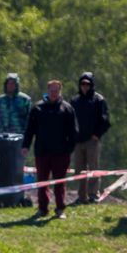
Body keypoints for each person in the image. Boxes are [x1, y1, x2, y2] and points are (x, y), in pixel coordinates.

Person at [22, 80, 79, 219]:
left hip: (61, 153)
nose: (54, 94)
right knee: (42, 182)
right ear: (47, 91)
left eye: (56, 91)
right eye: (51, 91)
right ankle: (42, 209)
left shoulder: (67, 109)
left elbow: (74, 132)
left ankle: (60, 209)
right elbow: (30, 129)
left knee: (59, 183)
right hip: (42, 152)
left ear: (60, 92)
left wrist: (69, 149)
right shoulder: (37, 108)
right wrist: (25, 146)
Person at [70, 72, 111, 205]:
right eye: (82, 83)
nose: (84, 86)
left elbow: (105, 120)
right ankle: (82, 196)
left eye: (87, 84)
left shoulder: (99, 100)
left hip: (92, 140)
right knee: (79, 170)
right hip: (78, 141)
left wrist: (96, 134)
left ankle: (93, 195)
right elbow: (70, 119)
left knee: (93, 168)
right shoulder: (75, 101)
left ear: (92, 85)